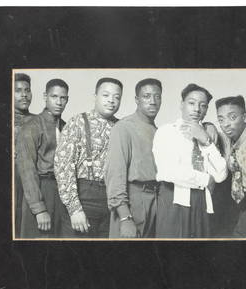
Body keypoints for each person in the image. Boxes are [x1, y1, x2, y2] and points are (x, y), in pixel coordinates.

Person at [152, 83, 227, 238]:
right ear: (182, 105)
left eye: (203, 105)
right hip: (174, 201)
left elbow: (221, 175)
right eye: (191, 103)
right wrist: (206, 179)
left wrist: (206, 141)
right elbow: (169, 172)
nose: (197, 109)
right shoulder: (167, 131)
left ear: (206, 110)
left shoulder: (208, 135)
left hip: (203, 204)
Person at [54, 77, 123, 238]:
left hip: (111, 202)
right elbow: (63, 167)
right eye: (106, 95)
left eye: (117, 97)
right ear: (95, 96)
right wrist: (74, 209)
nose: (111, 101)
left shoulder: (121, 127)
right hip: (83, 197)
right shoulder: (77, 122)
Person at [105, 78, 162, 238]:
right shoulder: (124, 128)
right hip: (133, 202)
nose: (152, 101)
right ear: (137, 100)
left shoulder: (159, 132)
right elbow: (115, 176)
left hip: (156, 201)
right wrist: (125, 217)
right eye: (147, 96)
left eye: (157, 96)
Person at [17, 78, 73, 238]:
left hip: (62, 193)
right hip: (42, 189)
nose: (59, 102)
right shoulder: (32, 126)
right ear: (45, 97)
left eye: (63, 98)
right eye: (54, 97)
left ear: (67, 100)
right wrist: (39, 208)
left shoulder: (66, 127)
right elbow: (27, 170)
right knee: (38, 245)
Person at [216, 95, 246, 238]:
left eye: (232, 117)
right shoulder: (229, 138)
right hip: (244, 206)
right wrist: (208, 127)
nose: (226, 124)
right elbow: (213, 132)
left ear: (245, 117)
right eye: (221, 119)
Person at [14, 73, 34, 238]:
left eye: (27, 90)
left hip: (32, 181)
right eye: (18, 90)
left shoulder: (38, 121)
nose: (24, 95)